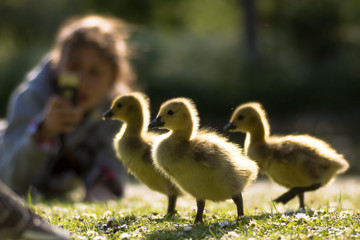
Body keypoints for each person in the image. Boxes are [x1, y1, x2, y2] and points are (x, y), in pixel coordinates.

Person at [0, 14, 137, 201]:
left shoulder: (116, 109)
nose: (82, 81)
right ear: (57, 67)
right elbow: (11, 182)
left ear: (112, 79)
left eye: (94, 72)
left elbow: (110, 162)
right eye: (74, 67)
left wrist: (102, 188)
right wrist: (43, 132)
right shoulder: (31, 98)